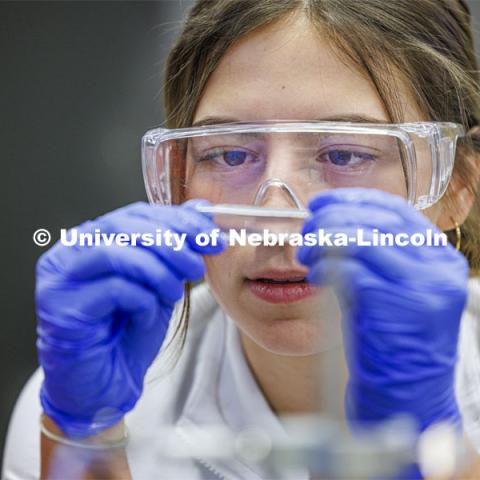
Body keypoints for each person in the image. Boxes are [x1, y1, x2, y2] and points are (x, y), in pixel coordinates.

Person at [4, 0, 480, 478]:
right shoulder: (80, 399)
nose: (273, 223)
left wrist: (432, 451)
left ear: (458, 185)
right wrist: (86, 440)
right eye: (229, 156)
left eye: (346, 154)